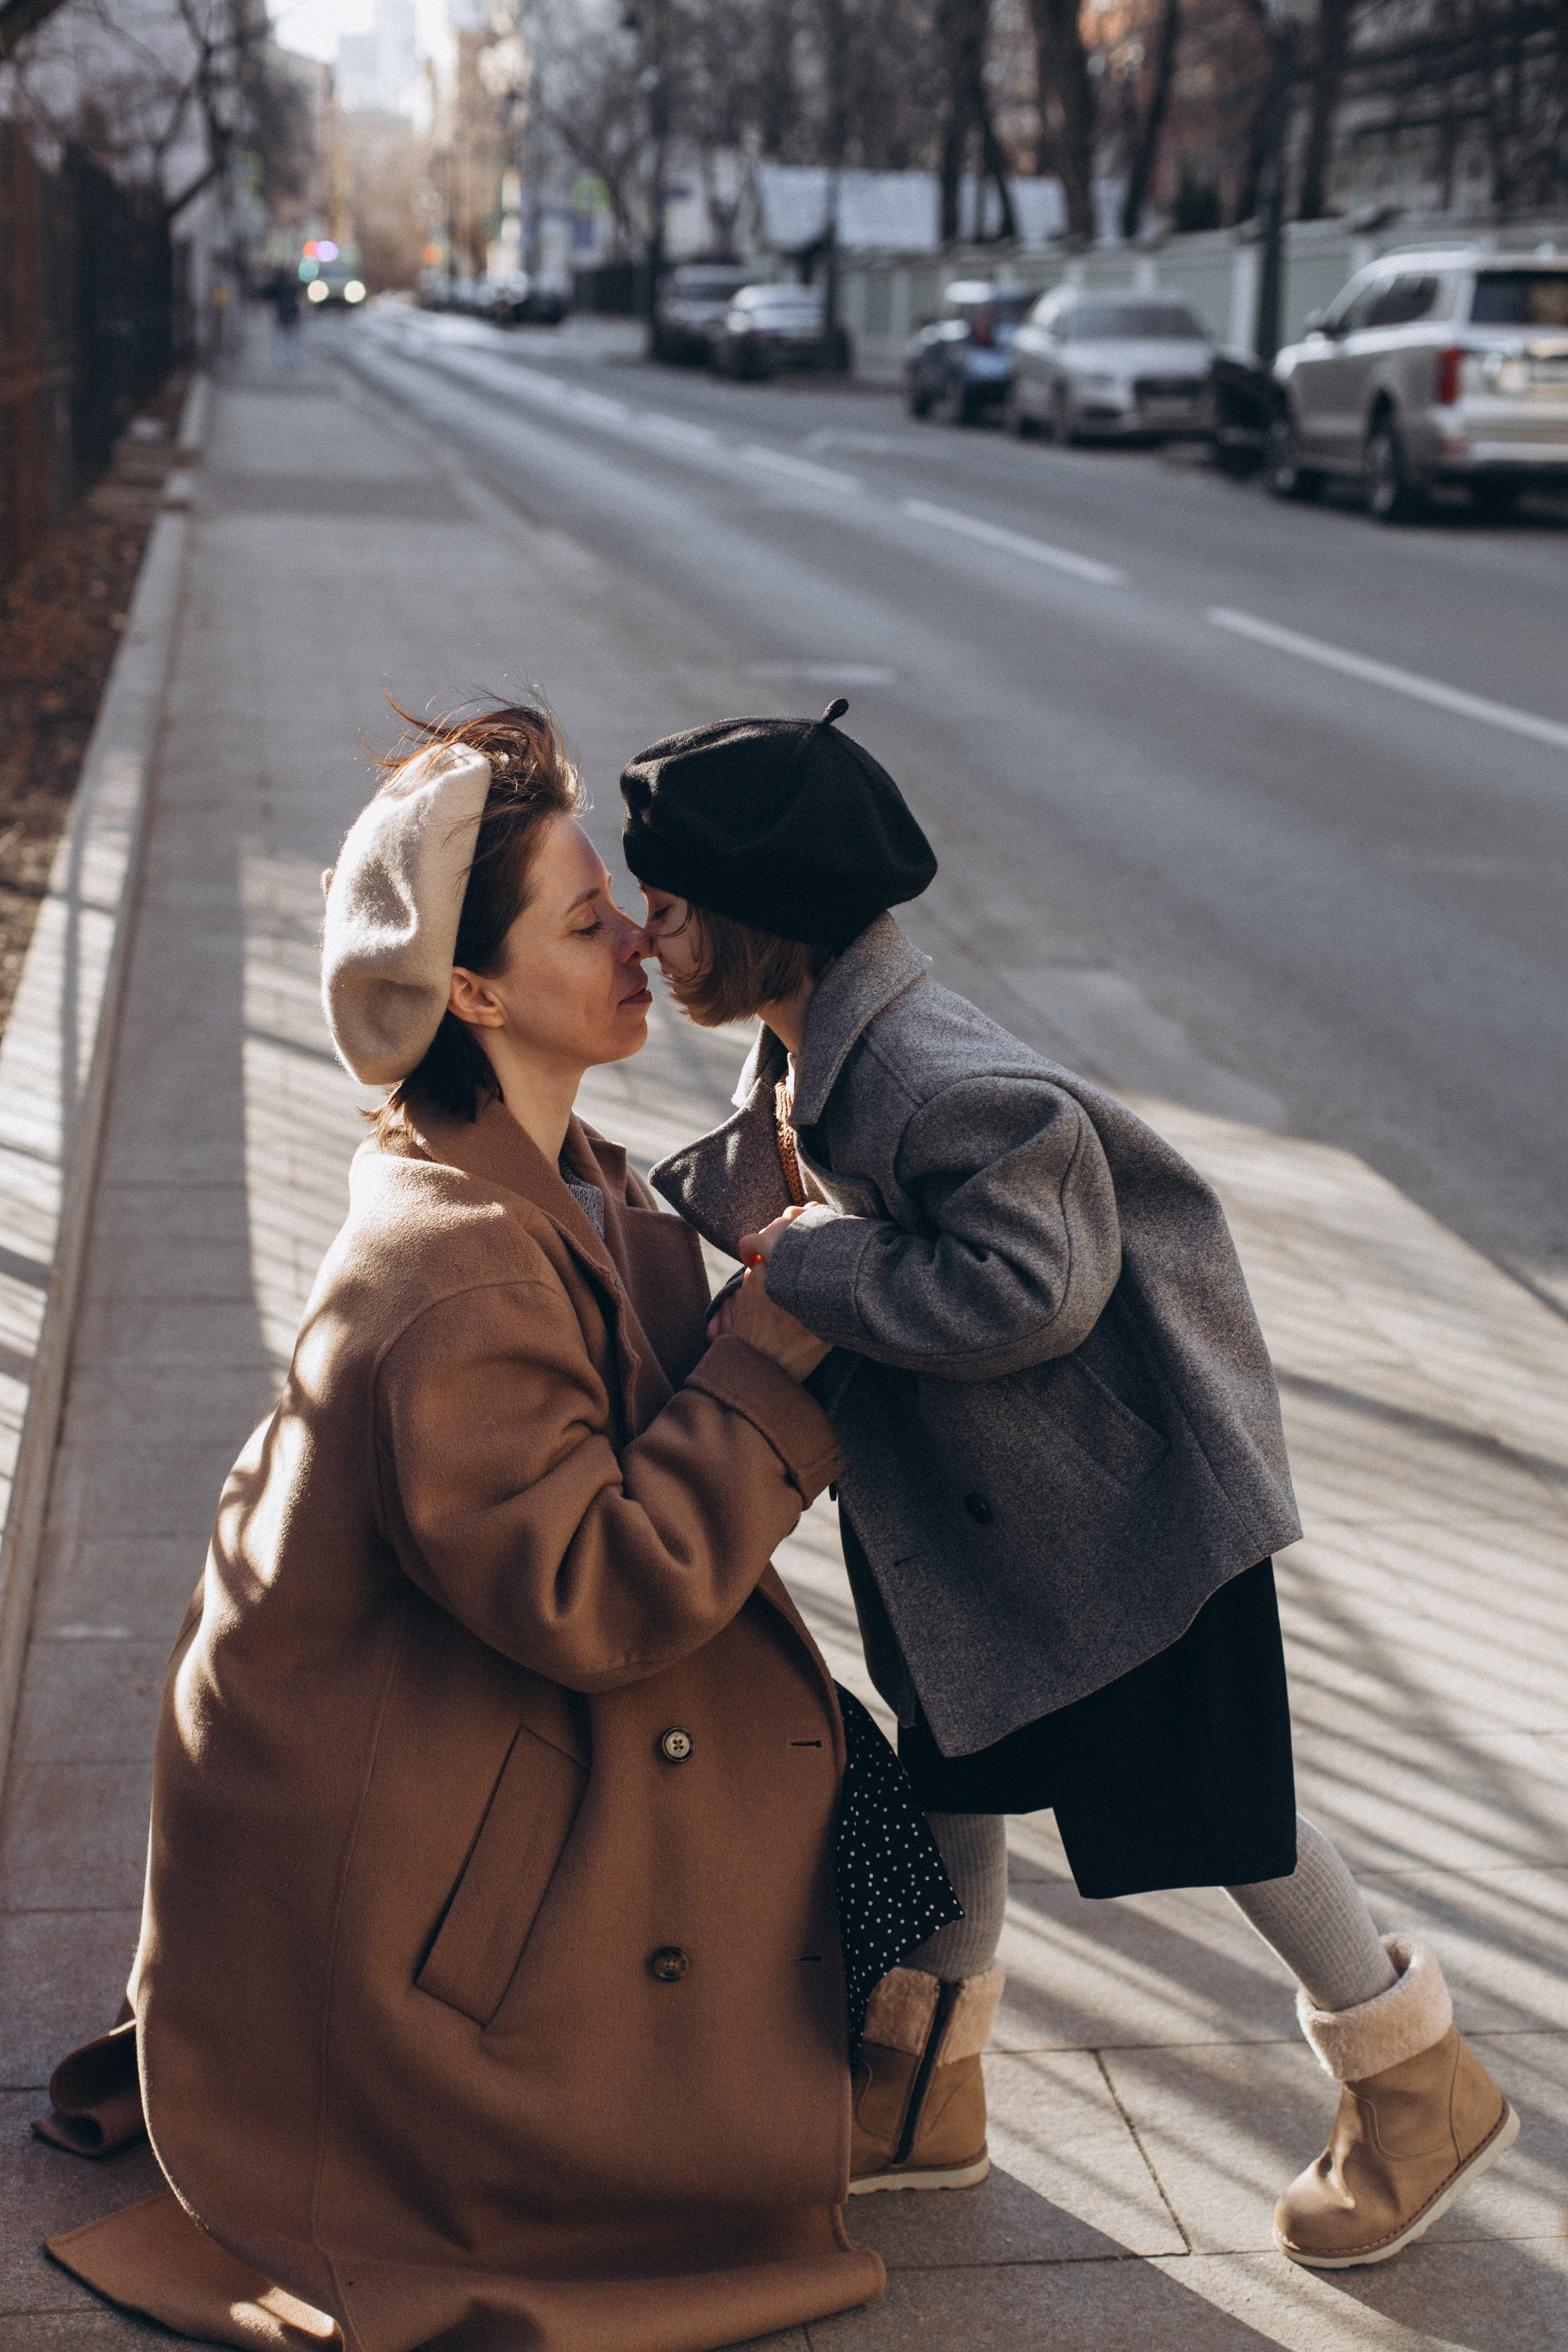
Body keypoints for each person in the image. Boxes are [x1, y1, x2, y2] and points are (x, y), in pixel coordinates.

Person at [35, 702, 947, 2350]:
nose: (640, 946)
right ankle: (874, 2091)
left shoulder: (564, 1167)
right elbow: (593, 1593)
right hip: (421, 1829)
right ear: (472, 989)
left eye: (625, 907)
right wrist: (767, 1356)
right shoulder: (451, 1260)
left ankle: (893, 2078)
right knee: (856, 1814)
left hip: (468, 1731)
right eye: (587, 924)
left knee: (892, 1776)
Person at [620, 696, 1520, 2266]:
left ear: (759, 919)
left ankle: (1414, 2083)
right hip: (988, 1528)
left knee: (1224, 1816)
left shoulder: (932, 1073)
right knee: (952, 1762)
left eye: (671, 905)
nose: (649, 935)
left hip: (1123, 1528)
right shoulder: (820, 1046)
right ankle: (922, 2093)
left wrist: (814, 1258)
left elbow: (1029, 1289)